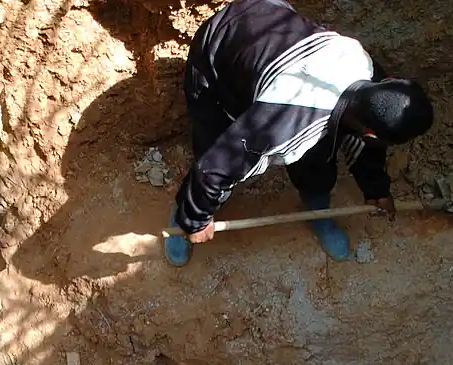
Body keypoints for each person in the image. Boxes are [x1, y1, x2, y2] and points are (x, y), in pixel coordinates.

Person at [167, 0, 434, 266]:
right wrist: (196, 219)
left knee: (318, 154)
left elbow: (367, 144)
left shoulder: (370, 75)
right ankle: (182, 216)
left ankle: (317, 209)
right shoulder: (284, 120)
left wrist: (375, 190)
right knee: (212, 143)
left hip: (269, 22)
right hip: (218, 54)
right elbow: (218, 165)